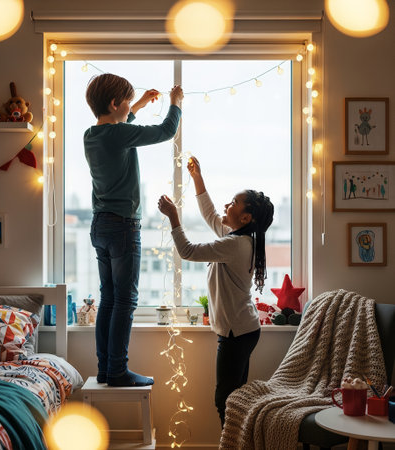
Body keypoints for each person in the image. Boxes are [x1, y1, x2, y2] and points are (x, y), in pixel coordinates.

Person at [158, 156, 274, 425]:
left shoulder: (235, 245)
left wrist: (173, 217)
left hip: (237, 333)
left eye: (234, 202)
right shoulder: (239, 239)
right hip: (243, 329)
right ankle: (239, 443)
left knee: (225, 401)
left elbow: (186, 251)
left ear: (246, 217)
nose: (227, 204)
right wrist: (198, 176)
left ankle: (232, 444)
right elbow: (211, 213)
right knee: (233, 399)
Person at [84, 73, 184, 387]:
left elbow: (119, 125)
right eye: (127, 102)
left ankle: (106, 369)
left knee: (109, 299)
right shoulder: (119, 134)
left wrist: (137, 104)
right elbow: (166, 131)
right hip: (123, 227)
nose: (130, 108)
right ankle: (117, 371)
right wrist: (175, 104)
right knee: (125, 301)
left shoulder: (92, 134)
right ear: (115, 104)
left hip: (100, 225)